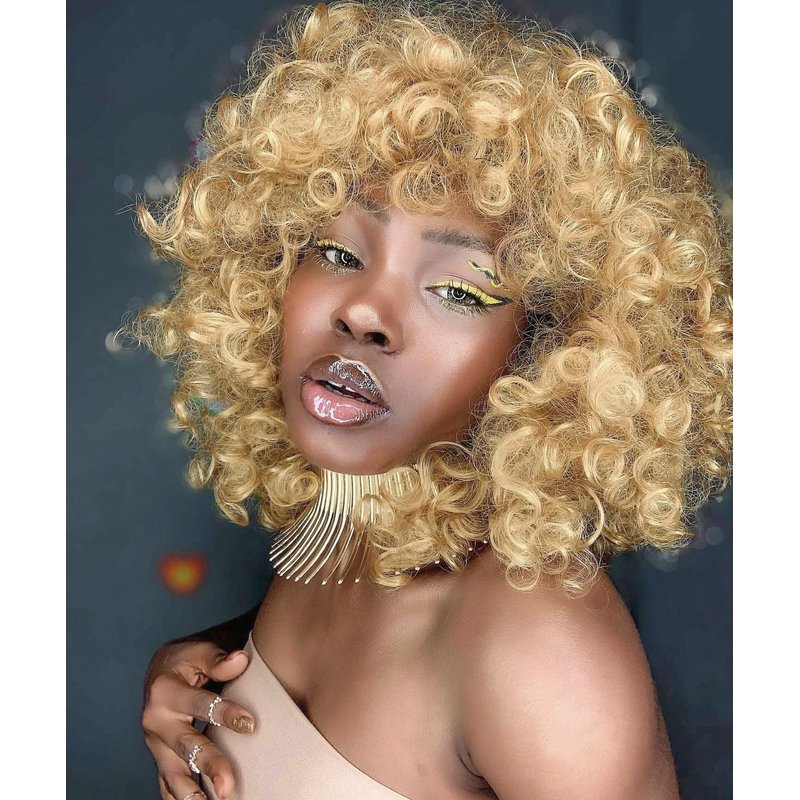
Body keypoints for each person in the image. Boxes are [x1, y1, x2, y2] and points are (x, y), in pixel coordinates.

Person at [136, 1, 732, 798]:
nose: (364, 312)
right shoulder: (341, 529)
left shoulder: (537, 642)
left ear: (546, 352)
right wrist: (191, 672)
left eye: (457, 289)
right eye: (337, 251)